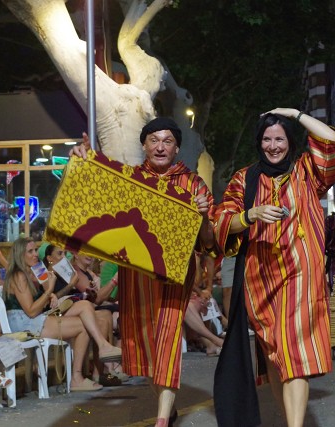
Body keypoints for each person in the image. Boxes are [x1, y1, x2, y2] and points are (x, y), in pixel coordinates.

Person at [70, 117, 215, 427]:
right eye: (154, 140)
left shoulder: (193, 184)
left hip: (175, 275)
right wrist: (84, 161)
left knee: (168, 339)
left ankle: (161, 419)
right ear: (144, 145)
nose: (160, 146)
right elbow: (96, 201)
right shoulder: (131, 179)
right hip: (136, 277)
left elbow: (207, 242)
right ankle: (168, 409)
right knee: (146, 345)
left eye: (167, 141)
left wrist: (204, 217)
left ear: (176, 148)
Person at [213, 108, 335, 427]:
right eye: (267, 139)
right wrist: (250, 214)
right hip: (259, 280)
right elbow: (221, 221)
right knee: (275, 356)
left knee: (295, 353)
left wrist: (294, 113)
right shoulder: (245, 178)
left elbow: (334, 142)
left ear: (290, 142)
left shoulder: (308, 171)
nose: (273, 146)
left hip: (301, 278)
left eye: (280, 139)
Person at [2, 237, 122, 392]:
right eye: (30, 251)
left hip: (40, 315)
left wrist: (51, 294)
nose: (35, 254)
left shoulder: (37, 269)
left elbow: (48, 295)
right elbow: (31, 311)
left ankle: (101, 348)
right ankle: (77, 377)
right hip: (25, 323)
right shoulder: (19, 275)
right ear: (20, 255)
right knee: (83, 325)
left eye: (35, 250)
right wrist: (49, 291)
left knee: (85, 305)